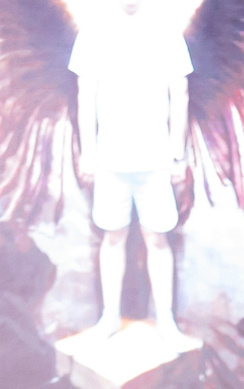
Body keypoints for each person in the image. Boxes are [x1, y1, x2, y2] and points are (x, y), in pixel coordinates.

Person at [70, 0, 194, 348]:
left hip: (156, 159)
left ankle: (165, 320)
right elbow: (85, 97)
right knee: (112, 238)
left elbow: (180, 94)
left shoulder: (166, 30)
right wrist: (88, 152)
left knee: (158, 239)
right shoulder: (93, 32)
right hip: (110, 160)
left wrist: (177, 155)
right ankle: (109, 316)